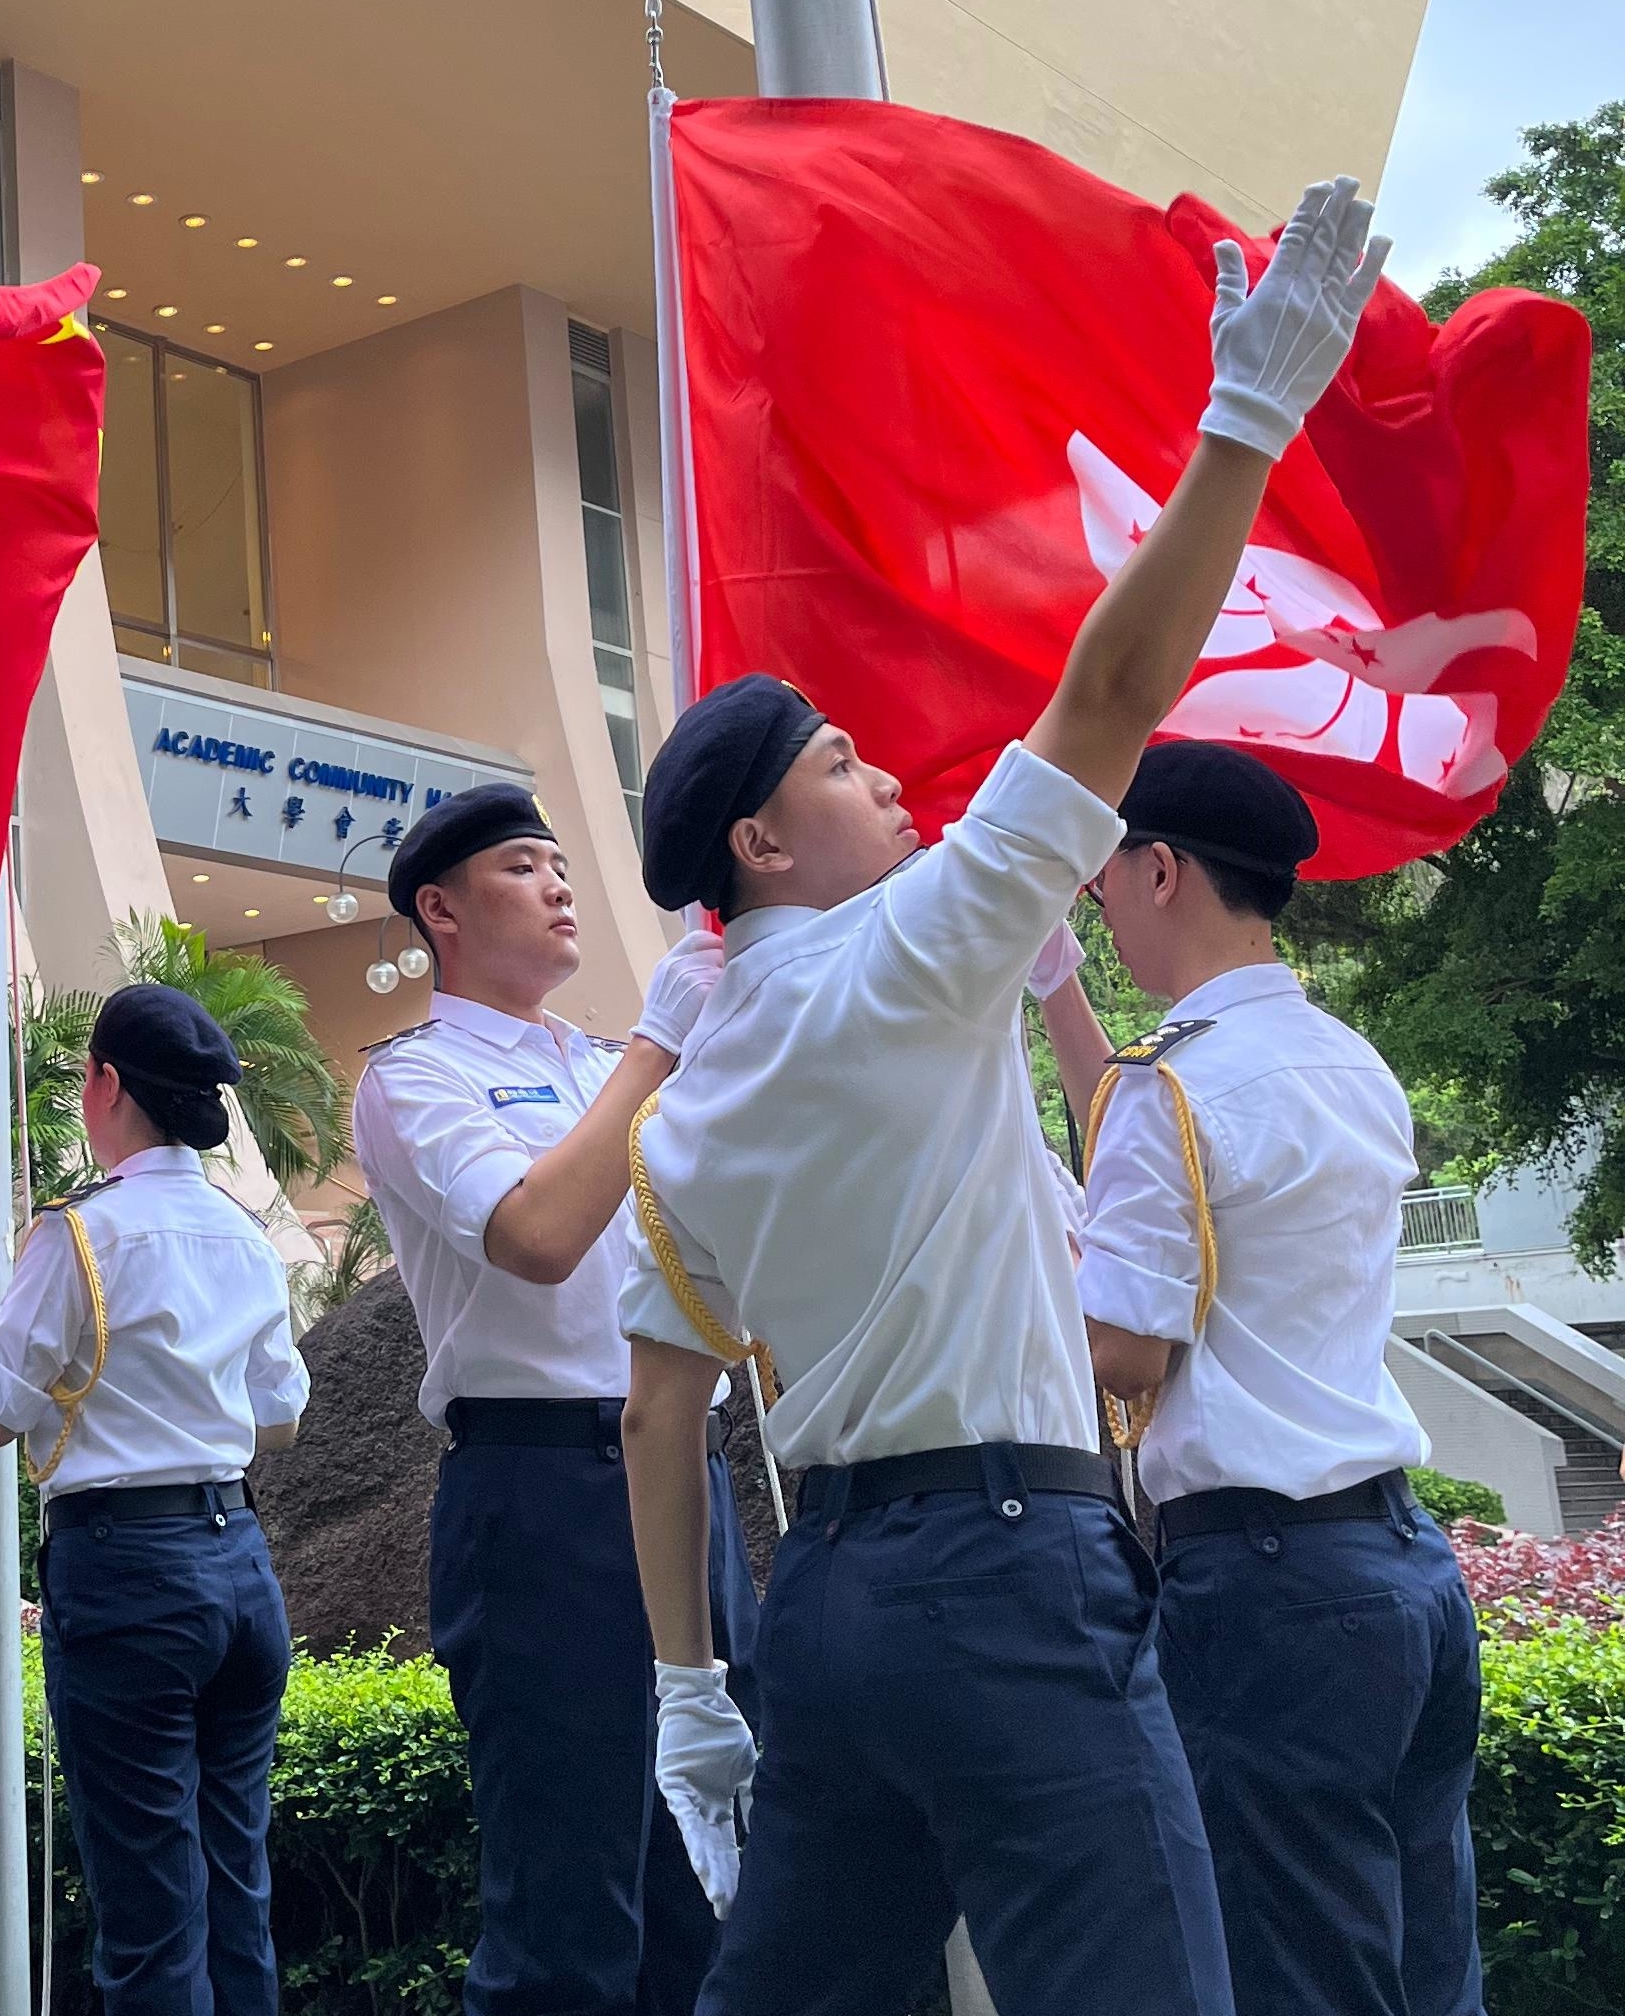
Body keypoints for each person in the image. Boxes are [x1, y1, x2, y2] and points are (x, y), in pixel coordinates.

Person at [612, 177, 1389, 2016]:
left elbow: (659, 1406)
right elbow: (1116, 684)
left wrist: (690, 1689)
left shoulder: (697, 1093)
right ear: (759, 841)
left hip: (829, 1601)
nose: (887, 780)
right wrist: (1248, 419)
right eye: (840, 763)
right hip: (1009, 1571)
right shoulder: (905, 958)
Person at [1079, 739, 1484, 2016]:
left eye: (1100, 887)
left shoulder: (1173, 1089)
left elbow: (1125, 1349)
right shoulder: (1347, 1062)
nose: (1097, 914)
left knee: (1298, 1982)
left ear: (1160, 870)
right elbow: (1181, 1179)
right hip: (1401, 1572)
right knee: (1428, 1974)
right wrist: (1057, 1008)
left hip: (1268, 1592)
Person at [349, 782, 749, 2016]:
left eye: (561, 864)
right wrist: (654, 1052)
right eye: (526, 866)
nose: (561, 885)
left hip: (681, 1468)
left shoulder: (600, 1062)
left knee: (716, 1881)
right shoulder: (415, 1079)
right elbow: (535, 1234)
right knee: (566, 1912)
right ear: (441, 909)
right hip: (542, 1491)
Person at [0, 983, 311, 2016]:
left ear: (107, 1085)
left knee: (150, 1909)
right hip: (238, 1558)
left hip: (128, 1570)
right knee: (235, 1883)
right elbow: (279, 1415)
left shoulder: (78, 1235)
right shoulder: (244, 1232)